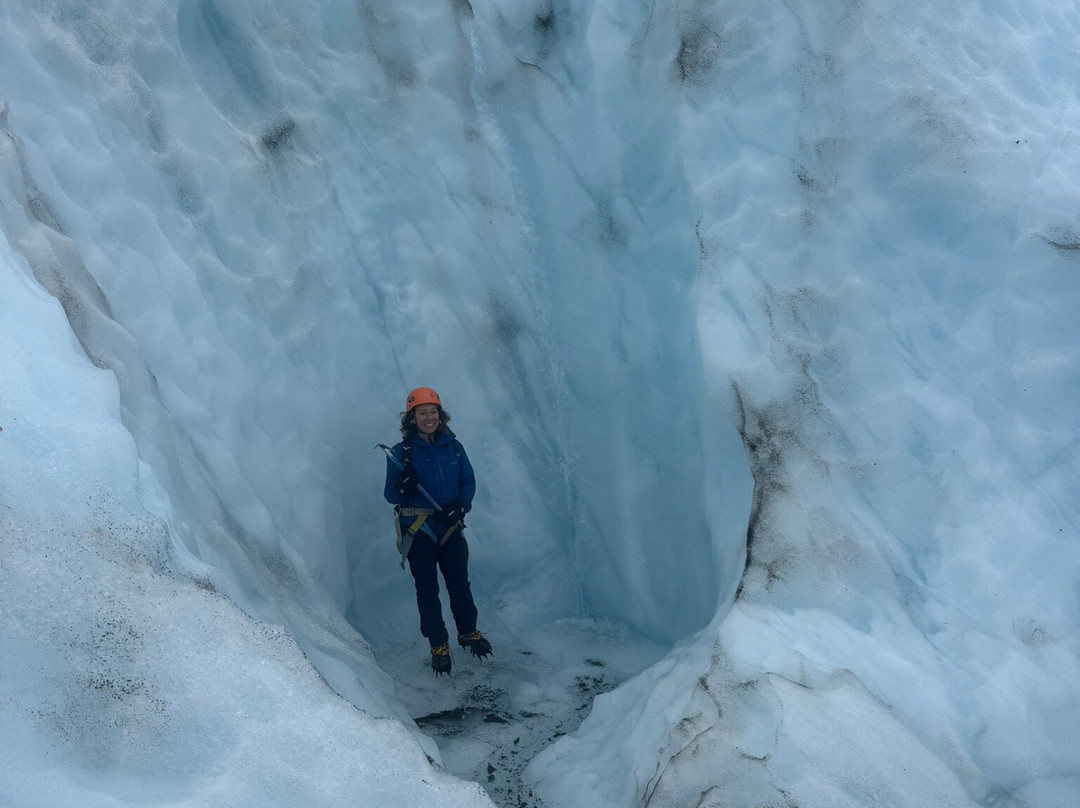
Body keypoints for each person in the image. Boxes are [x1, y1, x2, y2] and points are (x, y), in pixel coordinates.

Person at [383, 387, 493, 675]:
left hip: (450, 525)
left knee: (459, 583)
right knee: (427, 588)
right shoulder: (401, 453)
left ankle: (468, 632)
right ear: (412, 418)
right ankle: (438, 644)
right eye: (422, 413)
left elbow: (468, 481)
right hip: (419, 528)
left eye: (433, 412)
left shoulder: (454, 447)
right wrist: (402, 487)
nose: (429, 417)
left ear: (440, 415)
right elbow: (390, 495)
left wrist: (460, 506)